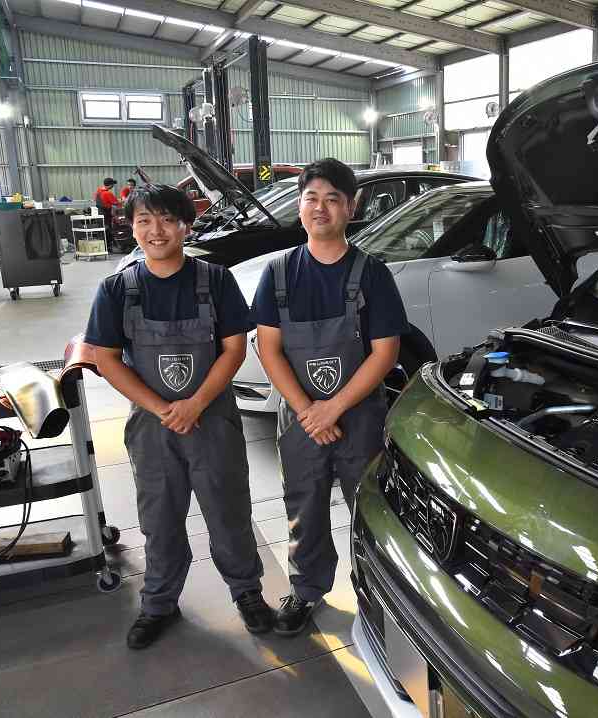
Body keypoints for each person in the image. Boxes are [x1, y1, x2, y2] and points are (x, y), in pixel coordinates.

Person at [85, 184, 275, 650]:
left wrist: (195, 403)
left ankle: (247, 592)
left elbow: (233, 349)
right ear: (130, 226)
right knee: (160, 516)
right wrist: (162, 408)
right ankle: (159, 602)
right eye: (144, 220)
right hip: (153, 427)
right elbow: (106, 358)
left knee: (228, 509)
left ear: (186, 225)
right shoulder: (117, 289)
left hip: (213, 420)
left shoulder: (215, 280)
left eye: (167, 219)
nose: (156, 230)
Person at [253, 159, 406, 636]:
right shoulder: (277, 274)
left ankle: (375, 595)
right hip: (301, 418)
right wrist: (307, 411)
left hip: (357, 417)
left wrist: (333, 408)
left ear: (350, 207)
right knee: (305, 505)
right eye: (311, 198)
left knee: (369, 508)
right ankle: (307, 590)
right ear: (300, 207)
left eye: (333, 199)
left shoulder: (372, 274)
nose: (321, 208)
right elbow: (268, 347)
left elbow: (385, 353)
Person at [94, 177, 120, 250]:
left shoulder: (98, 191)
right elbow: (117, 203)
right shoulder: (108, 193)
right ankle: (108, 247)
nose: (113, 186)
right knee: (108, 231)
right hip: (106, 214)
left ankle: (103, 247)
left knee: (102, 231)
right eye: (113, 184)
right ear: (110, 185)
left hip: (99, 214)